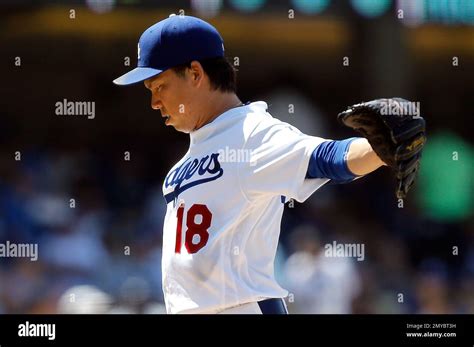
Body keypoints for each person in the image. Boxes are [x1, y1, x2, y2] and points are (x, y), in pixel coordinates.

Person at [113, 14, 421, 314]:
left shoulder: (252, 133)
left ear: (195, 74)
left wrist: (381, 150)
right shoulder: (185, 161)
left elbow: (328, 158)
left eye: (159, 86)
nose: (154, 101)